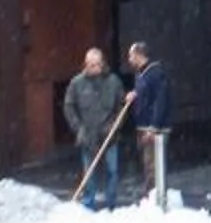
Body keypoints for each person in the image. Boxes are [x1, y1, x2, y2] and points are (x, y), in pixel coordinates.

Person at [62, 46, 127, 210]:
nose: (94, 68)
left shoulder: (113, 82)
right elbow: (69, 107)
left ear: (102, 63)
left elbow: (122, 106)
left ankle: (111, 203)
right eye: (90, 65)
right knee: (89, 172)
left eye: (96, 64)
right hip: (87, 135)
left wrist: (114, 125)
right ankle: (88, 203)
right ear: (85, 64)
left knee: (112, 171)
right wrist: (79, 128)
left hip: (109, 135)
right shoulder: (77, 83)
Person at [127, 40, 173, 199]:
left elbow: (160, 101)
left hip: (153, 129)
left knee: (153, 166)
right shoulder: (141, 74)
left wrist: (154, 126)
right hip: (143, 126)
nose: (129, 59)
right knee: (148, 166)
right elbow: (145, 95)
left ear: (139, 55)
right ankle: (151, 196)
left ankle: (156, 197)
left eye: (131, 55)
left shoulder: (156, 74)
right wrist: (135, 94)